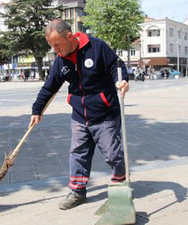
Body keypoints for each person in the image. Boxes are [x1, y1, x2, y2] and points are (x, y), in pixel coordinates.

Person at [29, 19, 129, 210]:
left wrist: (122, 80)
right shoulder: (60, 60)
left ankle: (120, 185)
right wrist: (37, 110)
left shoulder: (96, 46)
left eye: (57, 45)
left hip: (104, 113)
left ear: (69, 36)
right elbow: (49, 87)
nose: (55, 50)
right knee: (78, 154)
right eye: (51, 46)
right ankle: (77, 191)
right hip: (79, 115)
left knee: (112, 154)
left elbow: (117, 67)